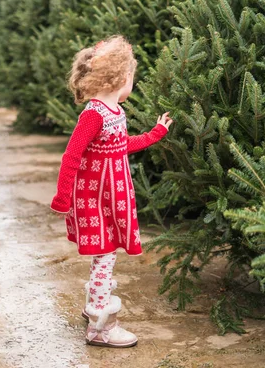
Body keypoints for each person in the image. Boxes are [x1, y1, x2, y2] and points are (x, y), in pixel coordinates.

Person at [50, 35, 173, 348]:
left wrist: (156, 133)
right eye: (132, 75)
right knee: (105, 256)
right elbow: (72, 155)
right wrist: (63, 197)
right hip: (95, 199)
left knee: (105, 255)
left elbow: (121, 146)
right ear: (121, 78)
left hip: (113, 196)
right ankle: (101, 327)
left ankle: (94, 303)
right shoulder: (93, 114)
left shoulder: (115, 111)